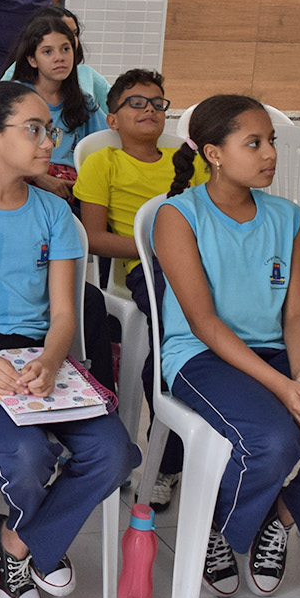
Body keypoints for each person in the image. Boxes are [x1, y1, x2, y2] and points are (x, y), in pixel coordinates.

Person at [0, 82, 138, 598]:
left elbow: (64, 316)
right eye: (34, 130)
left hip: (42, 355)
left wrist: (52, 360)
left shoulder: (54, 214)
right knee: (28, 452)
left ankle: (17, 540)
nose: (49, 141)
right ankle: (39, 541)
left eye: (50, 130)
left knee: (114, 453)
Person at [156, 95, 300, 598]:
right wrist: (283, 388)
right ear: (214, 154)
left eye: (271, 141)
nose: (271, 154)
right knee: (274, 442)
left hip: (279, 353)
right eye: (254, 143)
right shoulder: (178, 215)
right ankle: (217, 528)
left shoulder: (287, 217)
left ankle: (279, 517)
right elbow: (203, 322)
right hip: (201, 355)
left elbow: (298, 312)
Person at [74, 67, 204, 506]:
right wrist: (159, 248)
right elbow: (93, 237)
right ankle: (167, 463)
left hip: (201, 268)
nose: (149, 109)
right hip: (147, 271)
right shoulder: (104, 162)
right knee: (174, 345)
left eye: (157, 103)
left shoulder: (189, 163)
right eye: (136, 103)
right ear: (112, 119)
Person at [5, 13, 105, 199]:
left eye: (65, 49)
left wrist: (84, 184)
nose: (59, 58)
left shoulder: (84, 102)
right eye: (48, 52)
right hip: (23, 179)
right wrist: (40, 178)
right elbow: (0, 150)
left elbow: (106, 145)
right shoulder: (14, 96)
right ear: (32, 59)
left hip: (73, 187)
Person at [0, 5, 110, 111]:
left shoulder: (87, 76)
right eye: (48, 51)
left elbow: (113, 111)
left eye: (74, 33)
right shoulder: (18, 86)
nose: (71, 39)